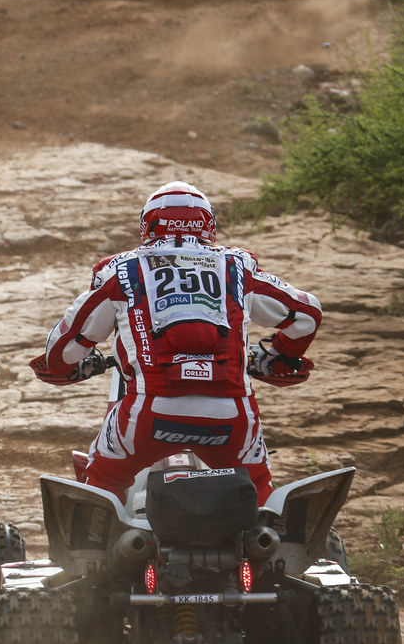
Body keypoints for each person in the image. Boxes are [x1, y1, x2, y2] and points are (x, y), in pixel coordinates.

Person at [29, 181, 322, 505]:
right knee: (261, 498)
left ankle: (93, 552)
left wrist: (66, 365)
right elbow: (307, 315)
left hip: (150, 410)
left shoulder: (121, 269)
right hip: (231, 413)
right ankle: (267, 543)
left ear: (147, 225)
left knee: (102, 482)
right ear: (209, 225)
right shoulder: (237, 266)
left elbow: (64, 346)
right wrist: (279, 357)